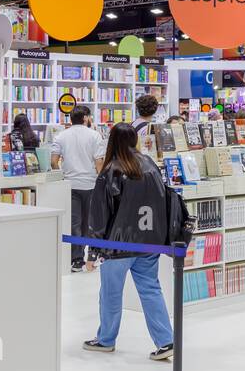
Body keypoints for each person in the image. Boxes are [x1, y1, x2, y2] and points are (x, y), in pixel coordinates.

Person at [84, 123, 174, 358]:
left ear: (112, 141)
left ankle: (106, 339)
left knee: (111, 294)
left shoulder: (111, 170)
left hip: (118, 245)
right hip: (149, 241)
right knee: (151, 290)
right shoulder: (151, 165)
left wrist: (94, 249)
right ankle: (166, 341)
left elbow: (99, 214)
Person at [52, 105, 105, 272]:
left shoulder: (61, 136)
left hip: (70, 185)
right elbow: (99, 163)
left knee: (74, 224)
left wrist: (62, 174)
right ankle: (92, 257)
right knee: (90, 223)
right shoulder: (95, 135)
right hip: (90, 185)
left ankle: (76, 260)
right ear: (85, 118)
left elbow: (53, 161)